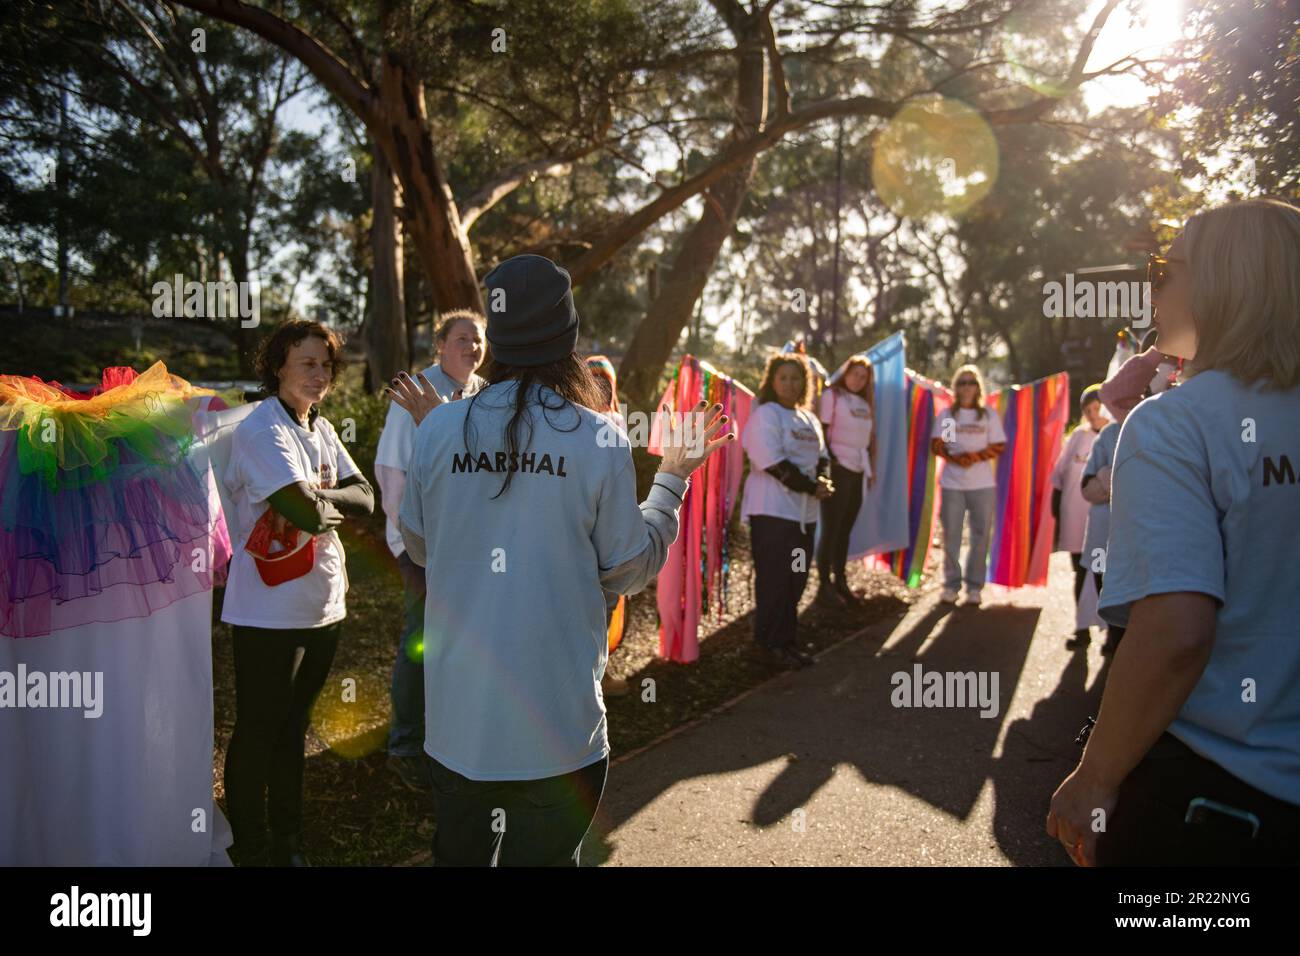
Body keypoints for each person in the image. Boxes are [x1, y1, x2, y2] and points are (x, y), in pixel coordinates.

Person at [389, 254, 731, 866]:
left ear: (495, 338)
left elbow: (417, 545)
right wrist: (673, 478)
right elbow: (627, 569)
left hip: (457, 726)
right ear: (566, 337)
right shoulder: (599, 437)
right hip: (558, 732)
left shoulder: (439, 429)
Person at [1048, 197, 1300, 866]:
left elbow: (1176, 631)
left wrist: (1097, 774)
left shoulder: (1177, 425)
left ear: (1224, 282)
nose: (1153, 284)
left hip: (1216, 801)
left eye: (1168, 266)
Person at [222, 321, 375, 866]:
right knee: (260, 729)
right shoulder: (263, 431)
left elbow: (367, 498)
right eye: (306, 363)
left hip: (324, 604)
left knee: (294, 729)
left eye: (326, 365)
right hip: (269, 610)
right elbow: (303, 511)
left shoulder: (321, 427)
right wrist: (325, 501)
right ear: (278, 367)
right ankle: (249, 845)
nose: (319, 374)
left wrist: (320, 496)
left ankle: (286, 843)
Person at [374, 310, 485, 792]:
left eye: (479, 340)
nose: (473, 348)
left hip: (472, 543)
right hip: (423, 544)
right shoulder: (415, 392)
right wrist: (406, 539)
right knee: (421, 641)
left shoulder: (483, 392)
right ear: (440, 343)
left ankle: (449, 735)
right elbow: (391, 471)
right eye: (462, 339)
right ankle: (404, 745)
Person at [740, 353, 832, 668]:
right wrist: (812, 487)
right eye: (783, 378)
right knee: (775, 579)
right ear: (772, 381)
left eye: (796, 378)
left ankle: (787, 640)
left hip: (804, 516)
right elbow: (772, 462)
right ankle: (768, 644)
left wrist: (823, 479)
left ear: (805, 383)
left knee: (796, 578)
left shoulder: (809, 419)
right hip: (773, 513)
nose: (790, 384)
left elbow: (822, 457)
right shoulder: (767, 415)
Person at [930, 364, 1006, 606]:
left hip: (982, 485)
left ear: (978, 387)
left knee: (980, 536)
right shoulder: (949, 416)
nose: (966, 387)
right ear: (955, 387)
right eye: (961, 383)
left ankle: (975, 586)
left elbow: (999, 445)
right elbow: (939, 444)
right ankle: (951, 584)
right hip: (953, 484)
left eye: (970, 382)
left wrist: (974, 457)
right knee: (951, 535)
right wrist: (956, 458)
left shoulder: (988, 415)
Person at [586, 354, 632, 699]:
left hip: (610, 530)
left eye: (605, 383)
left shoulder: (619, 421)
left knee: (609, 602)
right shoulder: (571, 421)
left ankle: (598, 674)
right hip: (580, 527)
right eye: (591, 381)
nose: (598, 389)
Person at [815, 355, 877, 605]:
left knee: (845, 529)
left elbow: (869, 439)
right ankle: (824, 586)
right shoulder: (833, 395)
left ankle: (840, 580)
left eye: (863, 377)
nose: (858, 380)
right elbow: (821, 430)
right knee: (831, 528)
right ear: (845, 372)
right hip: (838, 468)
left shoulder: (865, 402)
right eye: (855, 374)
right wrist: (831, 463)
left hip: (858, 469)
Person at [1052, 384, 1108, 649]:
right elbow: (1059, 476)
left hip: (1103, 520)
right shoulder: (1078, 437)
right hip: (1075, 518)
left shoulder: (1114, 435)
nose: (1093, 414)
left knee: (1105, 574)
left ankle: (1112, 633)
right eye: (1088, 410)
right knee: (1080, 573)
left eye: (1097, 408)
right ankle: (1083, 629)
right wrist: (1057, 516)